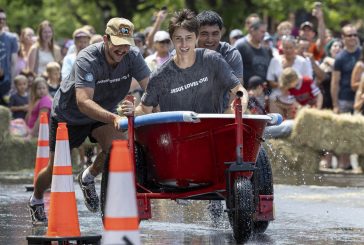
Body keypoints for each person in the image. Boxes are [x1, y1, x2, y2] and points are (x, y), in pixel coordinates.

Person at [28, 17, 150, 225]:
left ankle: (88, 176)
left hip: (104, 111)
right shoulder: (88, 58)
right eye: (117, 44)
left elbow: (153, 88)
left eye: (126, 46)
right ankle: (36, 198)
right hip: (70, 115)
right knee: (55, 169)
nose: (122, 50)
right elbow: (84, 102)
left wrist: (148, 107)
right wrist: (115, 117)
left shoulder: (133, 56)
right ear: (105, 39)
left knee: (119, 146)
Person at [135, 9, 248, 116]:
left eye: (188, 38)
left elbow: (238, 90)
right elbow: (144, 109)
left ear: (195, 37)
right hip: (178, 130)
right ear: (172, 40)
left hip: (214, 125)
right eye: (178, 38)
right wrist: (129, 114)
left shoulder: (214, 59)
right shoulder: (159, 75)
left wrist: (234, 111)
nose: (184, 44)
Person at [235, 19, 271, 88]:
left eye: (265, 32)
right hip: (244, 93)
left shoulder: (265, 50)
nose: (264, 35)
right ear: (252, 30)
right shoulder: (240, 45)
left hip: (262, 94)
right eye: (262, 32)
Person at [0, 8, 18, 106]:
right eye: (0, 19)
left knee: (5, 113)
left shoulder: (12, 38)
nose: (2, 21)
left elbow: (14, 62)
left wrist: (13, 82)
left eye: (4, 19)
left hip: (6, 83)